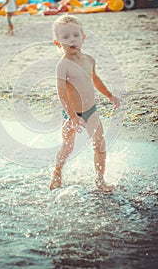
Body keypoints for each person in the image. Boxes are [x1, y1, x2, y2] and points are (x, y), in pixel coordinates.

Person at [50, 15, 120, 192]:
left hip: (91, 111)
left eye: (75, 35)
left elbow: (95, 79)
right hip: (70, 114)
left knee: (100, 145)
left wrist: (110, 96)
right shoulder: (62, 65)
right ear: (58, 43)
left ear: (83, 38)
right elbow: (61, 94)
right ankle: (57, 173)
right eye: (65, 37)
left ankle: (100, 180)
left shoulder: (89, 60)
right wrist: (72, 117)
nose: (71, 40)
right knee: (67, 146)